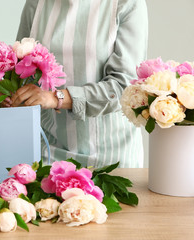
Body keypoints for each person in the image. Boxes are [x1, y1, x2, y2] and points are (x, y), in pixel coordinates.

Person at [9, 0, 148, 168]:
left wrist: (57, 97)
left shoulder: (126, 3)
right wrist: (10, 93)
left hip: (111, 158)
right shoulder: (37, 3)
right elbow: (21, 69)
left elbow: (124, 87)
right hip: (48, 153)